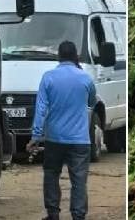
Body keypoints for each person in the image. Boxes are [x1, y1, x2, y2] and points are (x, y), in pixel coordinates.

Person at [27, 41, 97, 220]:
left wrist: (36, 135)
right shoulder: (86, 78)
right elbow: (92, 102)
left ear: (59, 56)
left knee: (51, 174)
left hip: (54, 139)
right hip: (80, 140)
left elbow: (41, 108)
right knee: (79, 180)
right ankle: (78, 215)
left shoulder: (48, 77)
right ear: (76, 56)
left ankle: (53, 214)